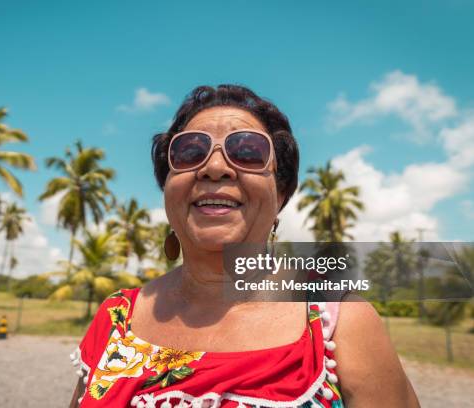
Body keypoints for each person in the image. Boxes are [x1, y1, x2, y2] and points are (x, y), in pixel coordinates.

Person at [69, 85, 419, 407]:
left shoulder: (341, 324)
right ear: (168, 189)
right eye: (191, 151)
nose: (215, 167)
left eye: (248, 152)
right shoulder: (116, 316)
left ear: (279, 194)